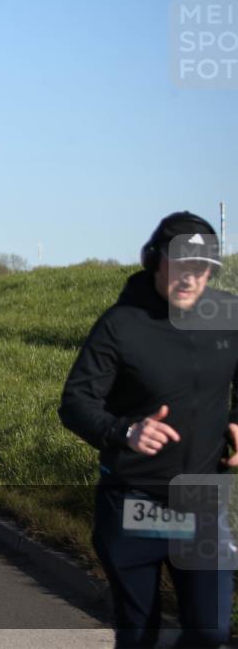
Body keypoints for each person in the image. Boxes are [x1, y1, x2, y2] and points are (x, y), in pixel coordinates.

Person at [59, 211, 238, 648]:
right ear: (155, 260)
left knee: (211, 630)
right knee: (139, 634)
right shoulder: (121, 324)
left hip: (199, 501)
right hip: (132, 501)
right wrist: (124, 431)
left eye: (202, 269)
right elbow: (75, 403)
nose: (190, 278)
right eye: (180, 265)